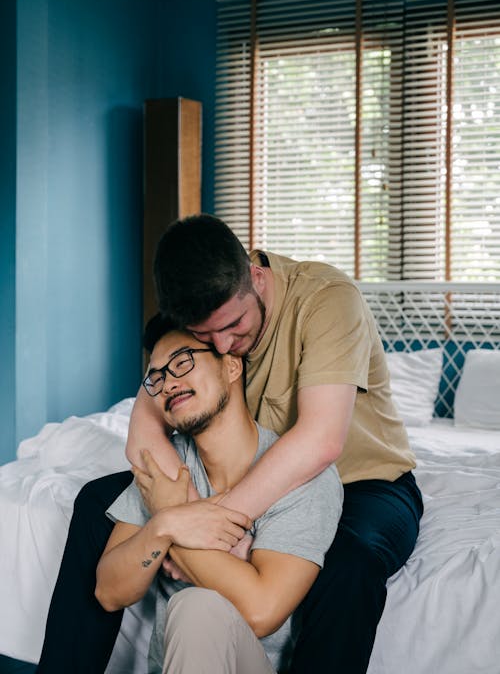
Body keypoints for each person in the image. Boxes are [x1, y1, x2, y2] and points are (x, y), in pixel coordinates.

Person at [37, 213, 423, 674]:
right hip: (239, 469)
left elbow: (319, 441)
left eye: (235, 325)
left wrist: (205, 523)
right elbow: (143, 433)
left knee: (350, 565)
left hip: (364, 480)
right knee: (96, 503)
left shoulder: (326, 299)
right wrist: (177, 513)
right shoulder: (191, 333)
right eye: (205, 336)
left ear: (256, 279)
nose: (225, 345)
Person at [95, 317, 343, 673]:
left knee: (197, 606)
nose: (169, 384)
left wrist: (174, 527)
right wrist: (165, 524)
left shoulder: (301, 475)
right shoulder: (168, 466)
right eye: (158, 377)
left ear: (231, 365)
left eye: (182, 362)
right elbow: (109, 591)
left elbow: (261, 611)